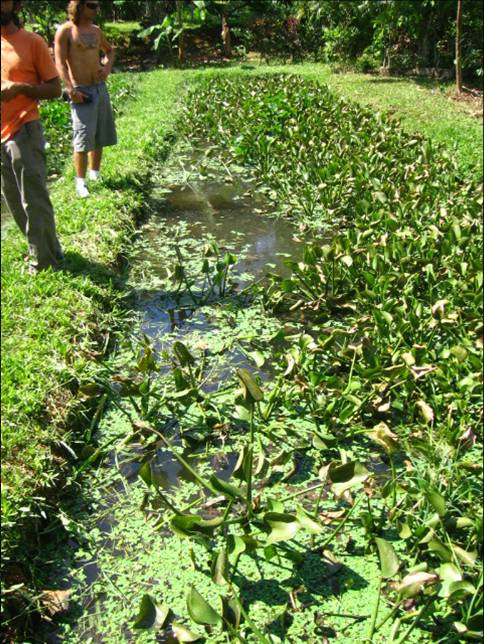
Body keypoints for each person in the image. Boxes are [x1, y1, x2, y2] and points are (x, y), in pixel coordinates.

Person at [1, 0, 63, 273]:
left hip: (24, 127)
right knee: (13, 199)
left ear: (14, 5)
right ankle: (44, 249)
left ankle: (44, 262)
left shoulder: (32, 41)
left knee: (33, 198)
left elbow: (54, 89)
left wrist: (20, 88)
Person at [54, 0, 116, 198]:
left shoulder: (97, 31)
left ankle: (95, 174)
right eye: (92, 5)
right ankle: (80, 183)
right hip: (81, 90)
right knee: (82, 137)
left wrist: (106, 68)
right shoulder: (66, 31)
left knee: (99, 133)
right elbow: (60, 62)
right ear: (79, 6)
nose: (97, 9)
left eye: (98, 5)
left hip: (99, 88)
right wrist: (70, 89)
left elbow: (109, 51)